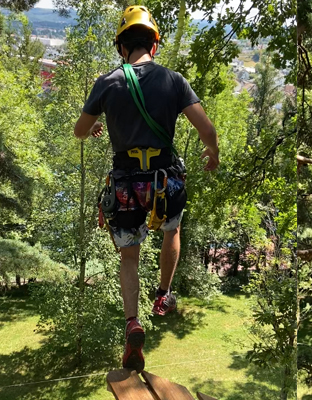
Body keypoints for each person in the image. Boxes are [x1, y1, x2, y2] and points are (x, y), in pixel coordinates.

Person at [73, 5, 219, 372]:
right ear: (153, 45)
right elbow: (207, 130)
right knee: (172, 228)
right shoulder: (173, 80)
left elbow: (79, 130)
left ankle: (132, 322)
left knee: (129, 258)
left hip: (125, 185)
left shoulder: (107, 82)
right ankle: (164, 295)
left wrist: (92, 128)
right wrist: (212, 152)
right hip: (163, 181)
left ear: (122, 48)